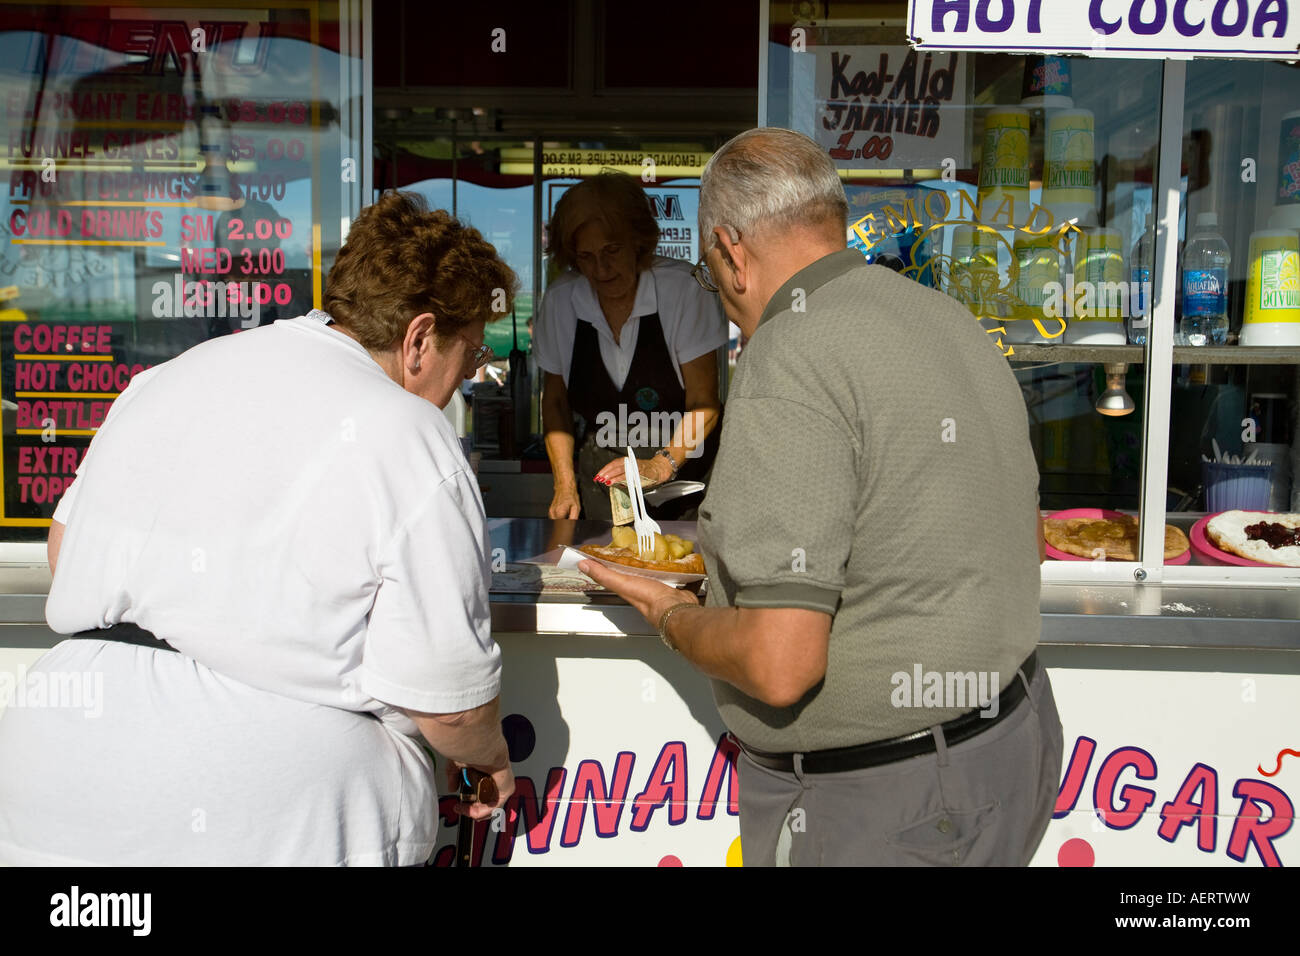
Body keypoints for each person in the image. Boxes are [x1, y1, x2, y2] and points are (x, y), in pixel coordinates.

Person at [580, 128, 1061, 867]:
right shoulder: (948, 318)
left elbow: (781, 663)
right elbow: (1014, 541)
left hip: (887, 803)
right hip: (1014, 741)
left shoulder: (789, 352)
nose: (726, 304)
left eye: (711, 276)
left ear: (731, 252)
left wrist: (672, 612)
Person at [0, 191, 517, 865]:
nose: (465, 380)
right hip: (257, 817)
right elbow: (449, 706)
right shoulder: (409, 433)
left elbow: (66, 548)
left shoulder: (168, 378)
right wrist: (490, 760)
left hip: (49, 780)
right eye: (470, 354)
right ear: (420, 338)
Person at [534, 172, 728, 521]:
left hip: (687, 481)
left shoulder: (684, 291)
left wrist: (660, 464)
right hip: (602, 484)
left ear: (638, 242)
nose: (601, 269)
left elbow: (704, 403)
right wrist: (564, 485)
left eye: (612, 250)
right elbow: (555, 402)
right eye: (586, 256)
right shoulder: (562, 300)